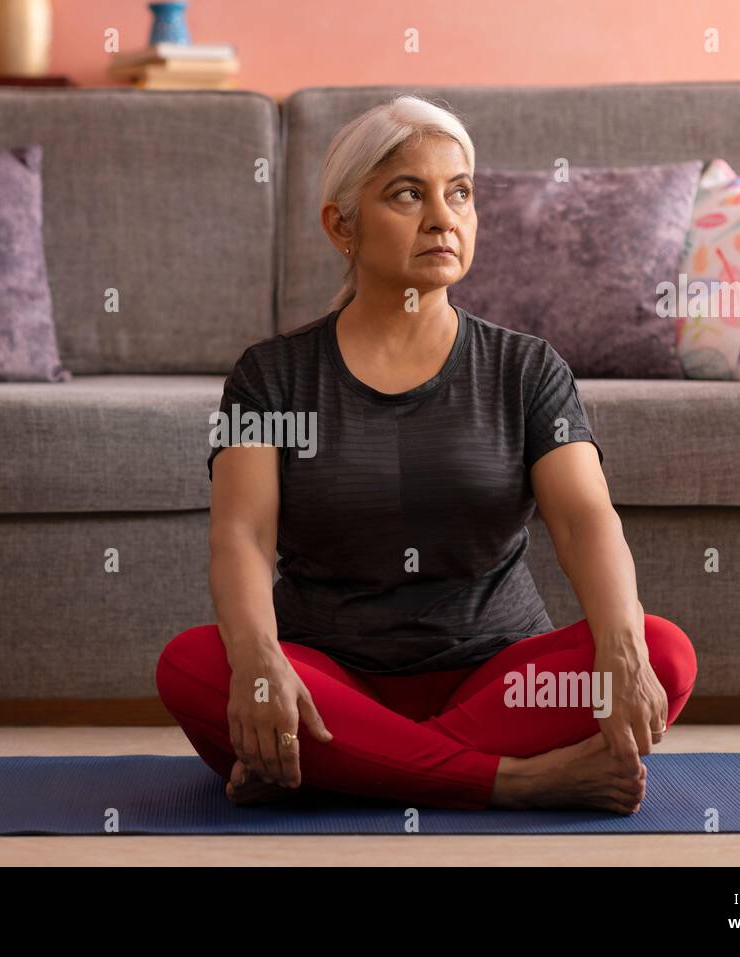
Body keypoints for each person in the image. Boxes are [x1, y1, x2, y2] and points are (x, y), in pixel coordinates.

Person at [156, 94, 697, 813]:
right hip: (328, 675)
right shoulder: (270, 376)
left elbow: (584, 521)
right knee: (193, 664)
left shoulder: (528, 369)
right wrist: (260, 661)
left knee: (665, 651)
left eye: (461, 193)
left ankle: (351, 764)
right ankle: (515, 778)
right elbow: (242, 535)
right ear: (340, 226)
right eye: (408, 194)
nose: (444, 217)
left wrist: (623, 645)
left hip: (498, 677)